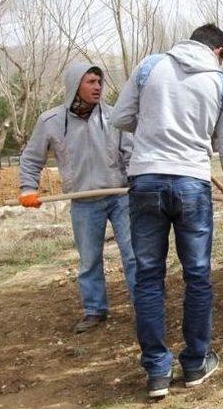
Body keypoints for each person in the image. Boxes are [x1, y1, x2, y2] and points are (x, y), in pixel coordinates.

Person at [111, 24, 223, 398]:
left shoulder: (150, 66)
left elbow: (121, 118)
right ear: (219, 50)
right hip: (192, 182)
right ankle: (195, 363)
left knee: (147, 277)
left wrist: (156, 127)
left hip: (145, 179)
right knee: (197, 275)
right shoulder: (222, 83)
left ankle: (157, 372)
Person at [19, 62, 136, 334]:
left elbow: (131, 153)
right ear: (75, 86)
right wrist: (28, 189)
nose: (97, 87)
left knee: (133, 255)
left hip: (120, 196)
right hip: (83, 201)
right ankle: (95, 310)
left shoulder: (114, 116)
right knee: (89, 259)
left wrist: (136, 182)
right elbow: (31, 158)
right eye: (90, 81)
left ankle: (142, 304)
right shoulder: (51, 122)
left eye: (99, 81)